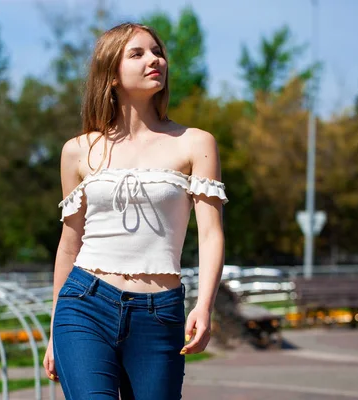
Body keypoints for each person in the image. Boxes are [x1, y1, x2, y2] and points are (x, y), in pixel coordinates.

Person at [43, 22, 227, 400]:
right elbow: (69, 244)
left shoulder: (195, 143)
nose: (154, 60)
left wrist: (204, 306)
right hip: (84, 304)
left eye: (157, 52)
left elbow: (210, 234)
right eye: (138, 53)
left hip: (160, 313)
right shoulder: (79, 150)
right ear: (111, 74)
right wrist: (53, 335)